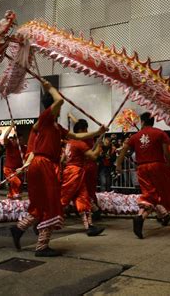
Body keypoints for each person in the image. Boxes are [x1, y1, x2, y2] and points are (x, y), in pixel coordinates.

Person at [10, 80, 107, 257]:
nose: (60, 109)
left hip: (43, 165)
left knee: (42, 204)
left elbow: (75, 135)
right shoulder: (46, 118)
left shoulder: (55, 125)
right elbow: (60, 101)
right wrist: (50, 87)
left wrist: (97, 133)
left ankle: (19, 228)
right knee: (53, 204)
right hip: (44, 164)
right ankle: (41, 246)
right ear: (52, 106)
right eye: (57, 106)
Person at [116, 112, 170, 239]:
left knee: (149, 195)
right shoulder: (160, 133)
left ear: (142, 122)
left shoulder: (135, 136)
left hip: (142, 168)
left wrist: (118, 164)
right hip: (158, 167)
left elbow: (123, 150)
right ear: (153, 121)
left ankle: (140, 217)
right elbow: (166, 153)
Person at [61, 119, 104, 236]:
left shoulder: (69, 142)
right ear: (81, 130)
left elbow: (63, 160)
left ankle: (89, 226)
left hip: (74, 172)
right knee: (63, 199)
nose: (87, 132)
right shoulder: (79, 142)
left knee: (83, 198)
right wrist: (99, 146)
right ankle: (41, 221)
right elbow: (93, 156)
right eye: (85, 130)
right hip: (74, 173)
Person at [2, 121, 26, 199]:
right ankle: (14, 197)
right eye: (19, 140)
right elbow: (5, 137)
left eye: (22, 140)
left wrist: (24, 168)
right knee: (16, 183)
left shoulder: (24, 148)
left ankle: (11, 199)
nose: (21, 142)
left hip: (19, 171)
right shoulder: (10, 144)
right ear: (15, 139)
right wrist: (11, 127)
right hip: (8, 170)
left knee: (17, 188)